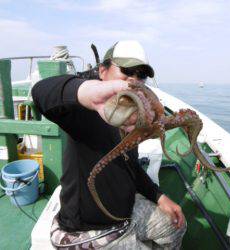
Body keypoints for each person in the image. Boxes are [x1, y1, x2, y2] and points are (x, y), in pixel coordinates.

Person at [32, 40, 186, 249]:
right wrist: (88, 92)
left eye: (141, 75)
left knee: (177, 225)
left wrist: (159, 196)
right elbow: (42, 93)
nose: (135, 79)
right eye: (127, 70)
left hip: (126, 215)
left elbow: (130, 165)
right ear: (102, 71)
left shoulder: (132, 122)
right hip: (87, 231)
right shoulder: (81, 111)